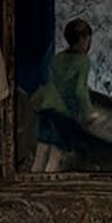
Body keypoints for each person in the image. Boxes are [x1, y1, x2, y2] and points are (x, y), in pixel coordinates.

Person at [28, 18, 95, 173]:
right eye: (88, 39)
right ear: (82, 39)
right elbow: (80, 91)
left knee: (41, 153)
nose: (89, 44)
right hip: (63, 114)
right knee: (55, 157)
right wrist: (89, 113)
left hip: (46, 110)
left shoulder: (57, 58)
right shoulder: (82, 61)